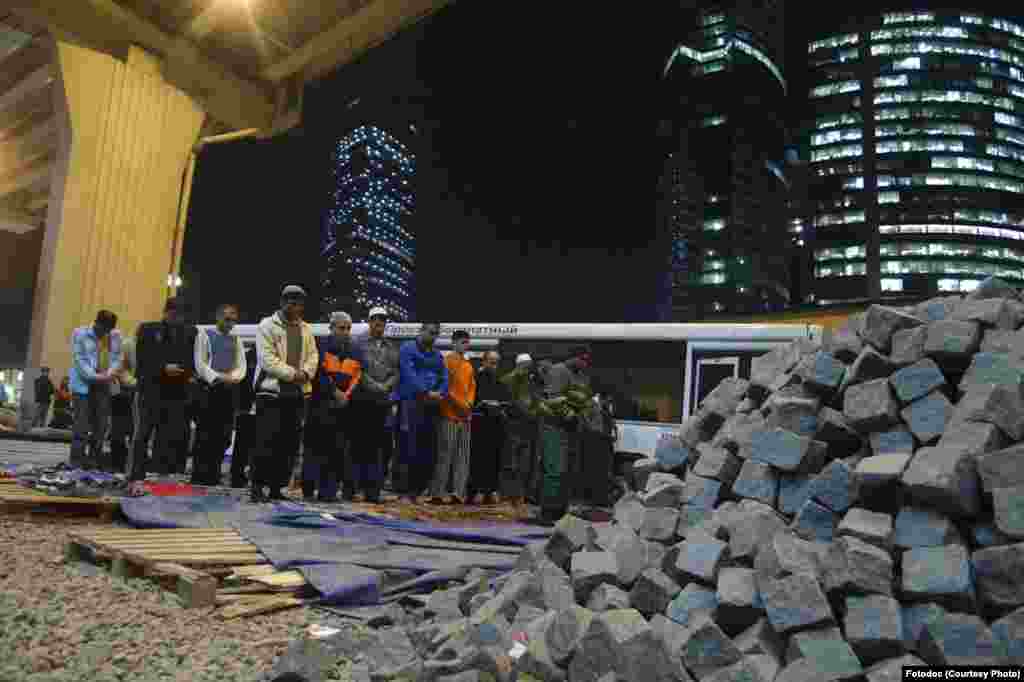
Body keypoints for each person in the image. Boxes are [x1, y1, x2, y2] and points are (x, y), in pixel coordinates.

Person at [250, 285, 319, 502]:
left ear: (302, 306)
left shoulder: (306, 329)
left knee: (288, 445)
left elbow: (313, 356)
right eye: (289, 300)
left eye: (297, 301)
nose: (293, 304)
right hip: (270, 393)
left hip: (297, 394)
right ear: (281, 302)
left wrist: (306, 373)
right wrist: (294, 374)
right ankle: (257, 487)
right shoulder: (266, 325)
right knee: (265, 442)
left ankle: (276, 488)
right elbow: (267, 360)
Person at [127, 298, 198, 495]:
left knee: (167, 438)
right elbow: (141, 361)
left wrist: (186, 374)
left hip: (175, 394)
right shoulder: (147, 330)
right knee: (142, 435)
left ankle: (159, 477)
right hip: (150, 391)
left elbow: (194, 361)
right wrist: (163, 368)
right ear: (166, 312)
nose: (178, 319)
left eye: (181, 315)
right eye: (174, 314)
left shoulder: (190, 332)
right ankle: (135, 476)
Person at [302, 311, 363, 502]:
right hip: (319, 406)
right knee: (314, 450)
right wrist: (334, 392)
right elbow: (317, 373)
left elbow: (358, 376)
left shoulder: (354, 350)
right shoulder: (319, 346)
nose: (345, 332)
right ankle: (308, 489)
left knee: (336, 452)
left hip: (342, 410)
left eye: (348, 328)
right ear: (331, 328)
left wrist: (346, 395)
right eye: (341, 328)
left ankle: (328, 492)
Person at [192, 303, 247, 486]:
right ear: (218, 317)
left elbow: (241, 366)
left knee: (223, 436)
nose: (231, 323)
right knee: (205, 435)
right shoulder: (204, 335)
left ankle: (214, 475)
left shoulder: (236, 339)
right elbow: (200, 363)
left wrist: (233, 378)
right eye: (227, 319)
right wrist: (217, 377)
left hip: (228, 392)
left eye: (234, 320)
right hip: (209, 391)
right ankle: (199, 476)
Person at [538, 345, 592, 522]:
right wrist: (571, 415)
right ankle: (548, 511)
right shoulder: (558, 371)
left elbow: (582, 397)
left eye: (586, 360)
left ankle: (560, 509)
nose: (585, 363)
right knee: (555, 469)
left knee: (567, 471)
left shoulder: (578, 375)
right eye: (582, 359)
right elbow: (553, 398)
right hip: (554, 427)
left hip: (569, 429)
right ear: (573, 357)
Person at [350, 307, 399, 502]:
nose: (379, 322)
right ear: (369, 321)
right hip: (362, 403)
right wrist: (376, 386)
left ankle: (374, 490)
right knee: (361, 446)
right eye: (375, 319)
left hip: (383, 405)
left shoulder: (391, 346)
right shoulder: (357, 342)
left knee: (382, 449)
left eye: (382, 319)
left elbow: (396, 371)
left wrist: (385, 386)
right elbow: (357, 370)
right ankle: (356, 488)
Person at [395, 322, 448, 502]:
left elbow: (445, 377)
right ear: (422, 331)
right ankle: (403, 491)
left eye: (436, 334)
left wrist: (440, 393)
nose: (433, 337)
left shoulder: (437, 355)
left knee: (428, 450)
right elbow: (408, 374)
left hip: (431, 406)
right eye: (431, 333)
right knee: (408, 448)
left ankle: (417, 490)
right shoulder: (407, 349)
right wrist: (425, 391)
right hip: (411, 404)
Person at [69, 310, 122, 468]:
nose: (105, 333)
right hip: (83, 385)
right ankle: (76, 461)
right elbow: (80, 360)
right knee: (81, 426)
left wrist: (110, 373)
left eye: (108, 330)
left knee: (101, 426)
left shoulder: (114, 336)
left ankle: (94, 460)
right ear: (97, 323)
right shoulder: (80, 334)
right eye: (103, 329)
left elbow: (117, 358)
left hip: (104, 385)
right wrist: (99, 377)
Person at [430, 330, 476, 504]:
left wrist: (468, 405)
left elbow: (472, 388)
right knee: (444, 455)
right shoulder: (446, 362)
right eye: (463, 342)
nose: (466, 345)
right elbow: (445, 388)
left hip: (465, 417)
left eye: (467, 342)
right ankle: (437, 493)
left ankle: (458, 492)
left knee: (463, 457)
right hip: (449, 414)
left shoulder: (468, 365)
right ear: (454, 343)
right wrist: (460, 405)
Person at [499, 353, 542, 507]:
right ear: (519, 365)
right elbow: (511, 402)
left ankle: (521, 495)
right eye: (526, 365)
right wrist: (528, 412)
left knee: (525, 465)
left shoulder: (530, 381)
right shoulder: (508, 380)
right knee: (510, 463)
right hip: (513, 426)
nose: (528, 368)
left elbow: (536, 399)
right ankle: (507, 496)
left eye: (529, 366)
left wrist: (535, 410)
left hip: (528, 428)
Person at [467, 351, 509, 505]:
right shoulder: (475, 379)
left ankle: (492, 489)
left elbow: (506, 400)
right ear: (483, 362)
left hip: (496, 425)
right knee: (479, 458)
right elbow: (472, 400)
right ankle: (477, 490)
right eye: (491, 361)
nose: (494, 365)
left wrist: (502, 406)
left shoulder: (500, 381)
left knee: (495, 458)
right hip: (479, 424)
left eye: (496, 362)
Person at [108, 337, 137, 473]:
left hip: (126, 392)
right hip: (121, 394)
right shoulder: (127, 345)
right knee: (121, 430)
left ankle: (123, 462)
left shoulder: (125, 346)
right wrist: (134, 383)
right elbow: (120, 371)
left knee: (129, 430)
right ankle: (119, 462)